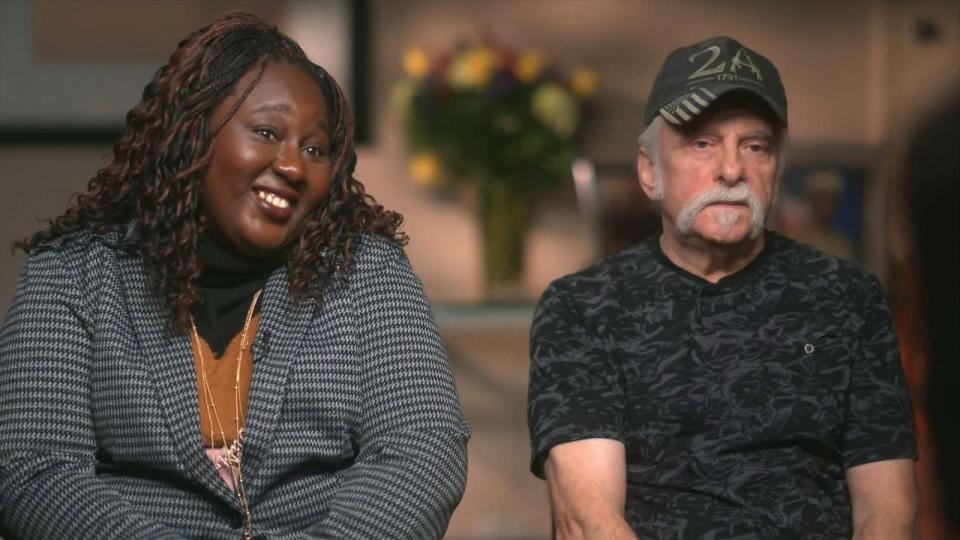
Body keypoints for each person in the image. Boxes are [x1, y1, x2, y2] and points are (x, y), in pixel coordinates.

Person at [0, 13, 469, 539]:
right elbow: (34, 469)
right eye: (267, 133)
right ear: (194, 137)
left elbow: (422, 449)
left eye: (314, 149)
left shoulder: (367, 273)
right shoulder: (75, 274)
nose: (293, 165)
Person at [528, 36, 917, 538]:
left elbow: (889, 513)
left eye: (755, 147)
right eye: (702, 143)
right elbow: (589, 520)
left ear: (777, 171)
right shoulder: (582, 306)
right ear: (649, 172)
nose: (732, 170)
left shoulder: (849, 298)